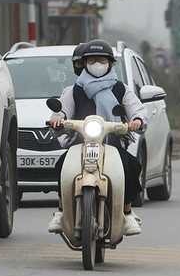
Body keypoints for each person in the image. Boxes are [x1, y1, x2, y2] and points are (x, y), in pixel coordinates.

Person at [46, 39, 147, 236]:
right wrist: (57, 120)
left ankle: (127, 212)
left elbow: (137, 109)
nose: (97, 64)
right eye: (92, 60)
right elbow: (61, 111)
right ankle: (60, 211)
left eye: (102, 60)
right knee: (61, 165)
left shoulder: (121, 89)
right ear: (84, 63)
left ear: (110, 63)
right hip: (79, 144)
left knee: (131, 166)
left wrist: (136, 120)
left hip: (112, 144)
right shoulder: (73, 90)